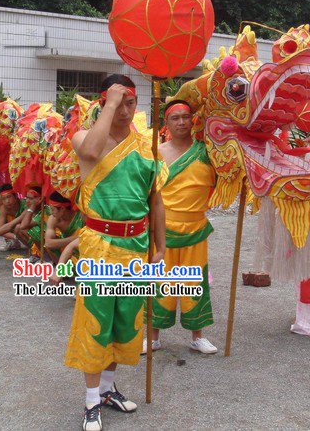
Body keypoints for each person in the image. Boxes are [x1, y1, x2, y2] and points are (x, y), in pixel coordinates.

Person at [65, 74, 167, 431]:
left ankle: (108, 390)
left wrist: (161, 246)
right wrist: (110, 102)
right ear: (103, 102)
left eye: (130, 102)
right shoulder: (85, 138)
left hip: (136, 246)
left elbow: (155, 200)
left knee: (125, 321)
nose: (125, 110)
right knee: (96, 322)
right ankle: (91, 401)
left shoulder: (147, 146)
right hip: (100, 245)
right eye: (117, 102)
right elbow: (91, 153)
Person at [143, 100, 217, 355]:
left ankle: (197, 336)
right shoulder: (155, 151)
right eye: (175, 118)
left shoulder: (207, 151)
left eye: (186, 116)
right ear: (167, 123)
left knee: (194, 283)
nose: (182, 122)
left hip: (196, 228)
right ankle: (152, 337)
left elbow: (222, 180)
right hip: (161, 230)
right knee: (157, 283)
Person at [0, 186, 44, 255]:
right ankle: (36, 252)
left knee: (19, 227)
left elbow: (23, 226)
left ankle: (42, 254)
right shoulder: (28, 208)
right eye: (27, 198)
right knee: (17, 228)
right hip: (36, 235)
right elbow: (10, 225)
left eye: (9, 197)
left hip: (46, 238)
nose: (7, 201)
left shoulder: (40, 208)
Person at [44, 191, 84, 263]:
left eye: (53, 209)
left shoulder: (81, 216)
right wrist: (74, 239)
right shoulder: (53, 219)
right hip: (69, 245)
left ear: (62, 209)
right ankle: (61, 268)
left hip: (81, 248)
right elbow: (48, 243)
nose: (50, 212)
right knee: (49, 246)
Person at [0, 184, 28, 251]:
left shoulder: (24, 205)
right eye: (3, 199)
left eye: (9, 197)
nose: (7, 201)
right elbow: (0, 229)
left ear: (15, 196)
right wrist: (16, 237)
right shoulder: (3, 209)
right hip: (14, 233)